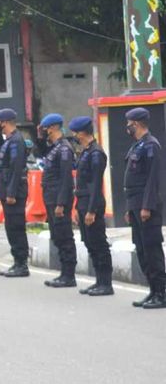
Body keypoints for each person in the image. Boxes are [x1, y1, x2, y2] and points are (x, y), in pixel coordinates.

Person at [124, 107, 166, 309]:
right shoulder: (137, 146)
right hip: (136, 206)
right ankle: (152, 290)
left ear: (138, 124)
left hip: (147, 208)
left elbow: (153, 180)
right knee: (141, 250)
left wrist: (147, 206)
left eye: (129, 124)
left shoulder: (151, 146)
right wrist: (130, 208)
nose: (127, 127)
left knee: (152, 250)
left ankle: (161, 293)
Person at [69, 116, 113, 296]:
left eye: (76, 132)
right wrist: (78, 207)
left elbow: (95, 185)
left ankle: (106, 283)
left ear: (82, 132)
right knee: (89, 242)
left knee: (98, 242)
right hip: (83, 201)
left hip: (92, 202)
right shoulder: (86, 151)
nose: (74, 136)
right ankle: (98, 281)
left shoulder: (96, 153)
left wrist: (91, 210)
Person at [35, 113, 77, 288]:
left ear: (52, 127)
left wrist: (60, 204)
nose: (43, 131)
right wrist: (39, 138)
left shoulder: (64, 149)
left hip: (59, 200)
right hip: (51, 197)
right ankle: (63, 273)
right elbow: (40, 152)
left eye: (44, 128)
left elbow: (66, 179)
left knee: (64, 235)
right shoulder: (54, 148)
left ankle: (69, 275)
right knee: (57, 235)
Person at [0, 109, 30, 278]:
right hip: (7, 189)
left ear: (5, 123)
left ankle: (21, 264)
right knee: (10, 227)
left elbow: (15, 168)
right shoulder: (9, 140)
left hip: (13, 191)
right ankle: (17, 262)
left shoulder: (16, 141)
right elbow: (3, 152)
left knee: (16, 227)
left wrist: (11, 192)